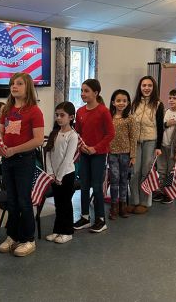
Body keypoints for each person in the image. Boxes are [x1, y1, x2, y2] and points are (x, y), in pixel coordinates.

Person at [0, 73, 44, 257]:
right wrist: (0, 146)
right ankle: (12, 235)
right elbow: (1, 133)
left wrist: (15, 150)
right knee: (12, 200)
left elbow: (38, 140)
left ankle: (28, 239)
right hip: (7, 160)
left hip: (24, 160)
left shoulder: (34, 111)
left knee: (24, 200)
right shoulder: (6, 110)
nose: (14, 87)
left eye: (18, 84)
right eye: (12, 84)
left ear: (28, 88)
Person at [73, 79, 115, 233]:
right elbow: (78, 132)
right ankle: (85, 217)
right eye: (82, 90)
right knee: (84, 185)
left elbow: (110, 134)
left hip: (98, 155)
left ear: (96, 93)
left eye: (86, 91)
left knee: (97, 187)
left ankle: (100, 219)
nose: (83, 94)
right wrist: (82, 147)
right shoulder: (80, 111)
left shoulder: (103, 111)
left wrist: (95, 148)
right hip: (84, 154)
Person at [128, 76, 164, 214]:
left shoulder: (158, 104)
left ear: (153, 87)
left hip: (151, 141)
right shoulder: (134, 103)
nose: (146, 88)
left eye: (149, 85)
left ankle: (145, 202)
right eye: (144, 85)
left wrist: (158, 146)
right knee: (135, 172)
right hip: (135, 142)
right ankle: (134, 201)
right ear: (140, 87)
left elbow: (160, 126)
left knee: (146, 172)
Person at [45, 102, 78, 244]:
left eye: (62, 115)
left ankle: (67, 231)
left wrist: (60, 176)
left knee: (65, 203)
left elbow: (68, 158)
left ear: (71, 117)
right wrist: (51, 173)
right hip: (55, 176)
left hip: (67, 175)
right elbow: (48, 154)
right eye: (57, 115)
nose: (58, 118)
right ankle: (57, 230)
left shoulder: (73, 135)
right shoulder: (54, 133)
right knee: (58, 204)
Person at [154, 89, 176, 204]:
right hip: (162, 147)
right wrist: (166, 124)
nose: (171, 100)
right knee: (161, 170)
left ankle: (168, 193)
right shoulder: (164, 111)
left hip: (173, 149)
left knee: (171, 172)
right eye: (170, 98)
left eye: (175, 98)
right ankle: (161, 190)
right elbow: (158, 128)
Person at [108, 89, 136, 219]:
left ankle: (123, 206)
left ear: (128, 102)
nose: (121, 103)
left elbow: (133, 138)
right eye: (118, 100)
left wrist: (133, 156)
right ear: (113, 102)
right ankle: (114, 205)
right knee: (114, 180)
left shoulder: (130, 118)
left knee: (123, 180)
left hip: (125, 154)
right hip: (112, 154)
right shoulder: (109, 117)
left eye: (124, 101)